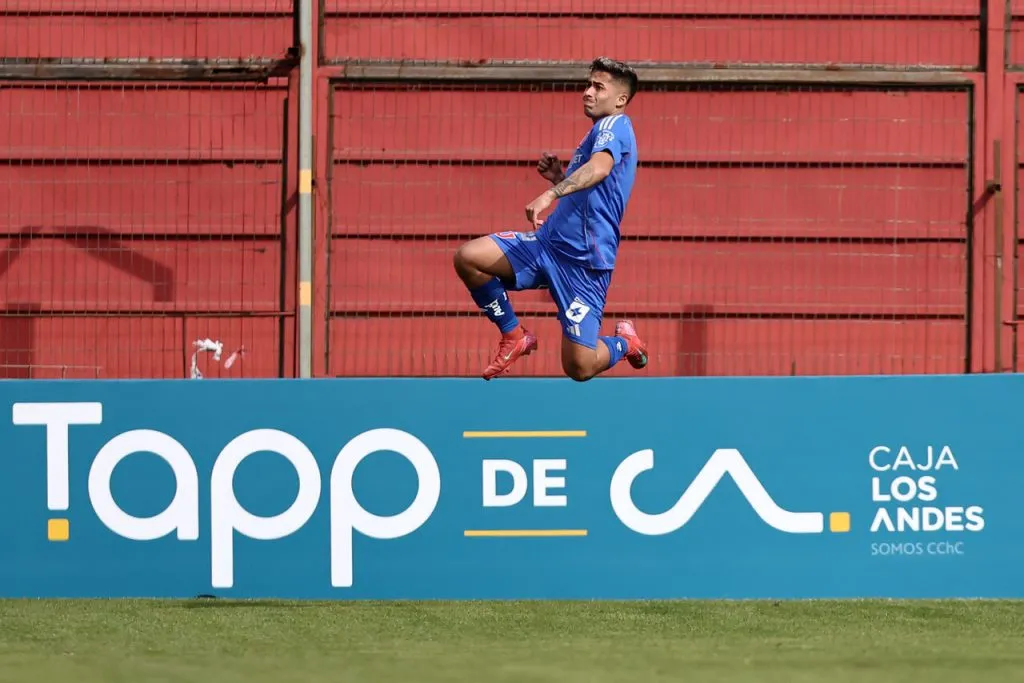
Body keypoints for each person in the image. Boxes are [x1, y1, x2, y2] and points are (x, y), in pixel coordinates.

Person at [453, 56, 648, 381]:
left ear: (620, 100)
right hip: (548, 245)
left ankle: (624, 343)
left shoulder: (616, 125)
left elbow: (599, 169)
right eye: (588, 84)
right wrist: (559, 177)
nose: (588, 92)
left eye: (598, 87)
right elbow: (592, 192)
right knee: (469, 258)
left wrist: (550, 194)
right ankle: (515, 336)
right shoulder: (598, 132)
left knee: (579, 367)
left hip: (584, 265)